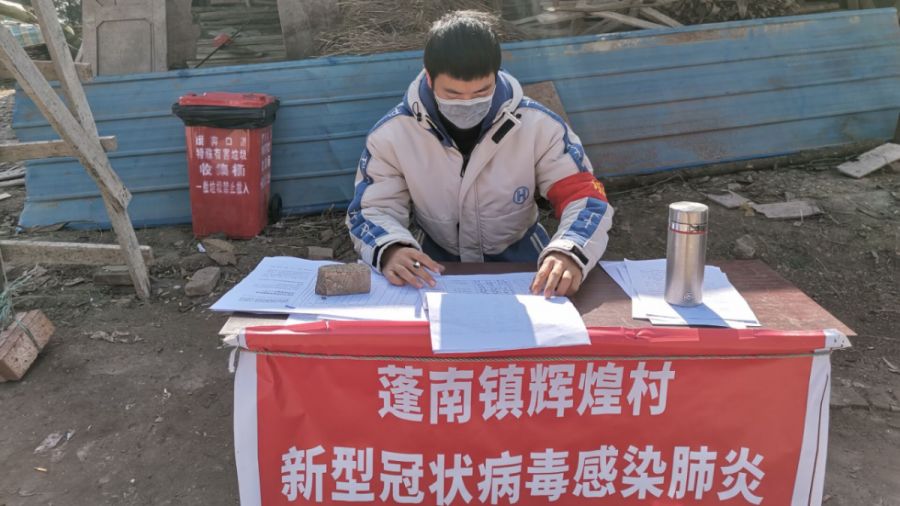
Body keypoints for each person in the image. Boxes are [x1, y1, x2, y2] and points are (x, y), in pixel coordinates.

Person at [346, 10, 614, 297]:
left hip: (524, 264)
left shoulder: (539, 126)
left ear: (496, 75)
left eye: (481, 92)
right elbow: (373, 209)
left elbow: (585, 197)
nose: (467, 103)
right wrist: (391, 249)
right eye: (453, 94)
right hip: (432, 266)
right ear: (429, 77)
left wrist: (570, 251)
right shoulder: (392, 135)